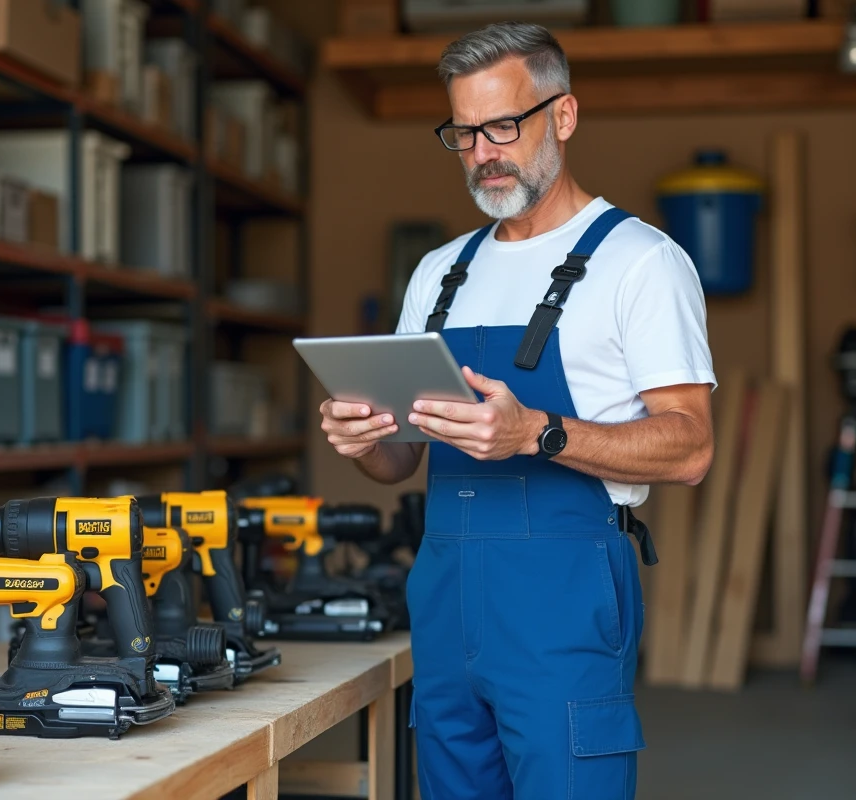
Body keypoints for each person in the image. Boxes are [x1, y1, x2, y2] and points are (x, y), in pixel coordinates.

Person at [318, 21, 717, 800]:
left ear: (562, 117)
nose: (482, 152)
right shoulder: (439, 274)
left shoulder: (640, 262)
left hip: (563, 600)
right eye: (463, 133)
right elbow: (399, 459)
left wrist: (536, 432)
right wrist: (361, 438)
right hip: (446, 599)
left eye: (503, 125)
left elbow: (690, 447)